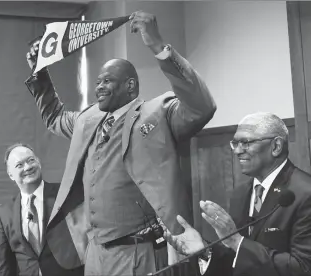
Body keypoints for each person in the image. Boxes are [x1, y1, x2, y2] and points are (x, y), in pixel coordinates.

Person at [25, 11, 216, 275]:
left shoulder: (157, 113)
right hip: (94, 253)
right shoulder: (87, 119)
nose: (99, 87)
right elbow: (55, 117)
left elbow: (201, 107)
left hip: (138, 253)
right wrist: (40, 72)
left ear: (131, 86)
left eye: (108, 81)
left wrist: (159, 47)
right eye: (98, 82)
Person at [164, 112, 311, 276]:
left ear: (276, 146)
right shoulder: (240, 193)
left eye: (246, 142)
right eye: (235, 143)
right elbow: (236, 257)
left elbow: (304, 268)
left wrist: (237, 242)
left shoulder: (306, 192)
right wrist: (205, 250)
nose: (237, 151)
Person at [0, 143, 84, 276]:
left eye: (31, 160)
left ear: (39, 162)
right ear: (11, 175)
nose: (28, 167)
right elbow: (5, 263)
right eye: (19, 165)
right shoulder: (4, 213)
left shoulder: (64, 194)